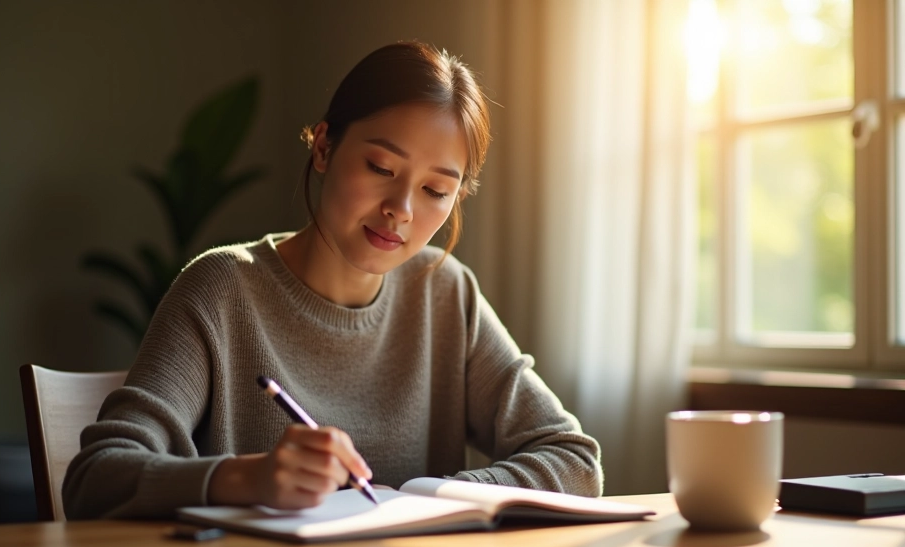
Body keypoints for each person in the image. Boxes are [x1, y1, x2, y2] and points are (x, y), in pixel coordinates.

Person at [63, 41, 603, 520]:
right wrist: (244, 479)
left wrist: (438, 496)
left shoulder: (445, 293)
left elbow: (575, 460)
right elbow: (95, 478)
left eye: (437, 191)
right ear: (322, 147)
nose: (401, 210)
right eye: (380, 168)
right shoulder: (222, 288)